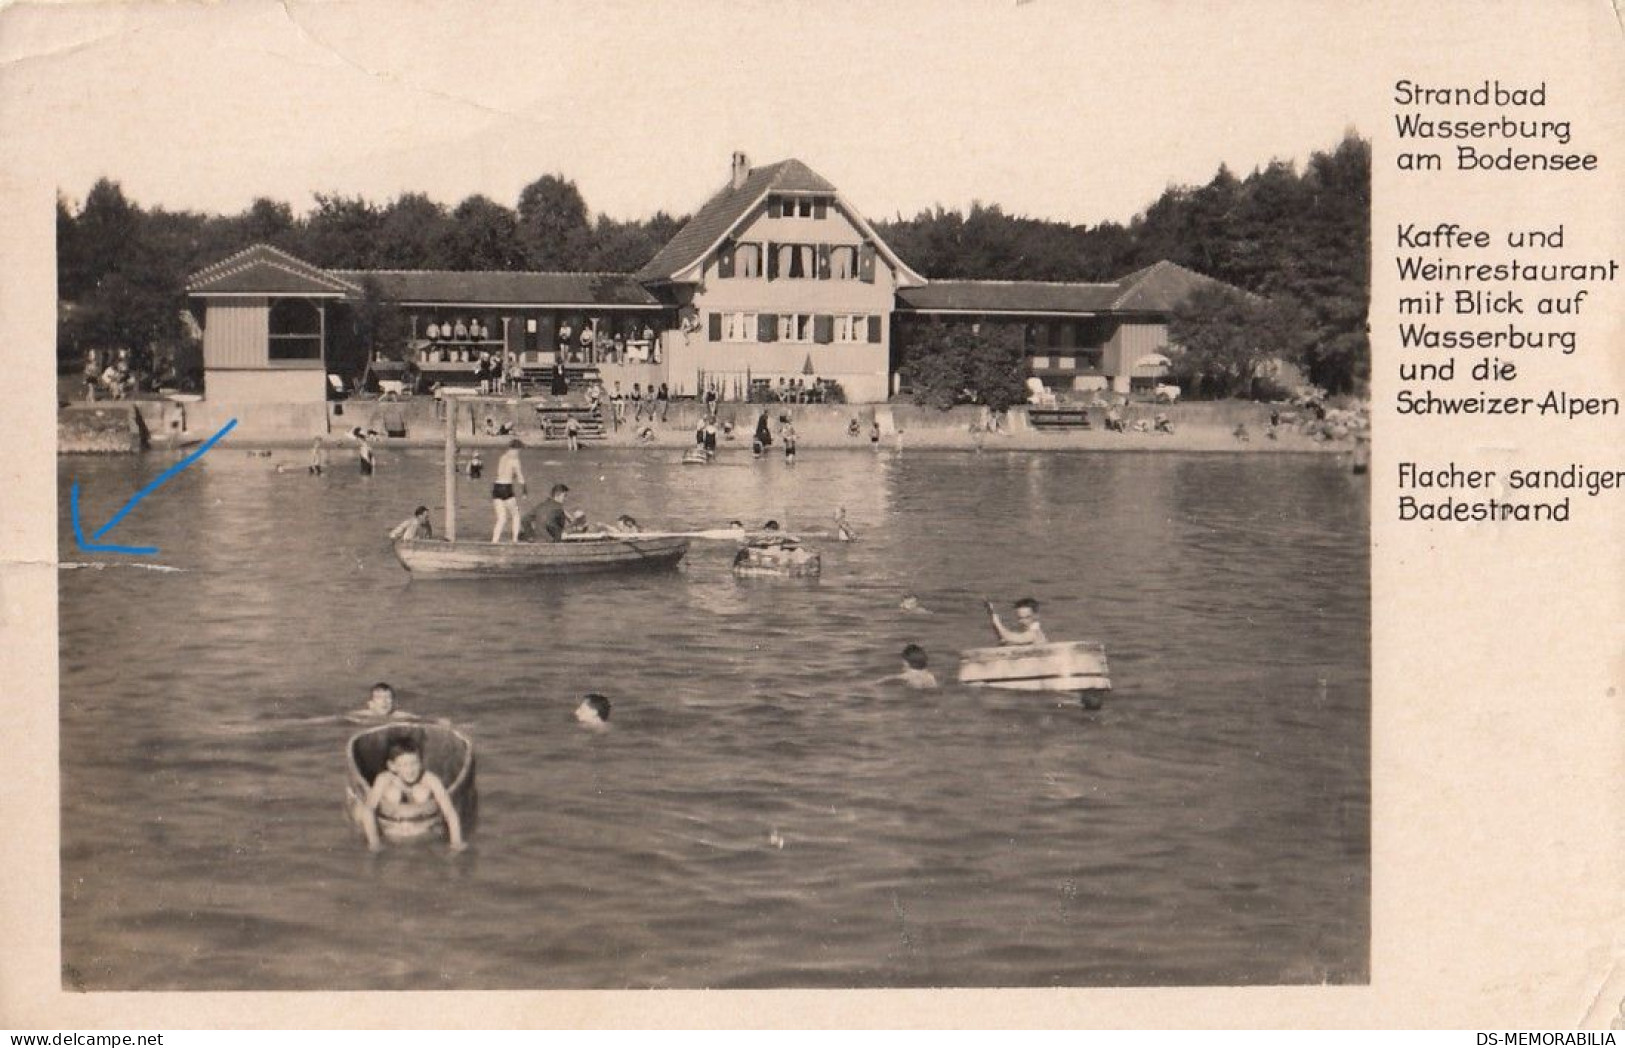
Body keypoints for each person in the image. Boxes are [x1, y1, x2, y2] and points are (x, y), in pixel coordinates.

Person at [357, 737, 467, 854]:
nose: (410, 770)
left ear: (421, 762)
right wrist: (374, 842)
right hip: (392, 830)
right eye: (404, 765)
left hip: (423, 831)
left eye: (414, 763)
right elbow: (368, 809)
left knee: (421, 793)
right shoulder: (385, 779)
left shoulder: (429, 779)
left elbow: (449, 811)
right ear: (392, 766)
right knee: (392, 794)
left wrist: (456, 842)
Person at [492, 439, 527, 543]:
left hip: (497, 488)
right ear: (514, 449)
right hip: (506, 488)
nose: (519, 453)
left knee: (501, 519)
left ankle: (494, 541)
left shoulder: (502, 457)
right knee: (516, 515)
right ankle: (515, 540)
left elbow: (501, 472)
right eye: (519, 450)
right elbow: (520, 477)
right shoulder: (515, 460)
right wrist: (524, 491)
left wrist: (512, 474)